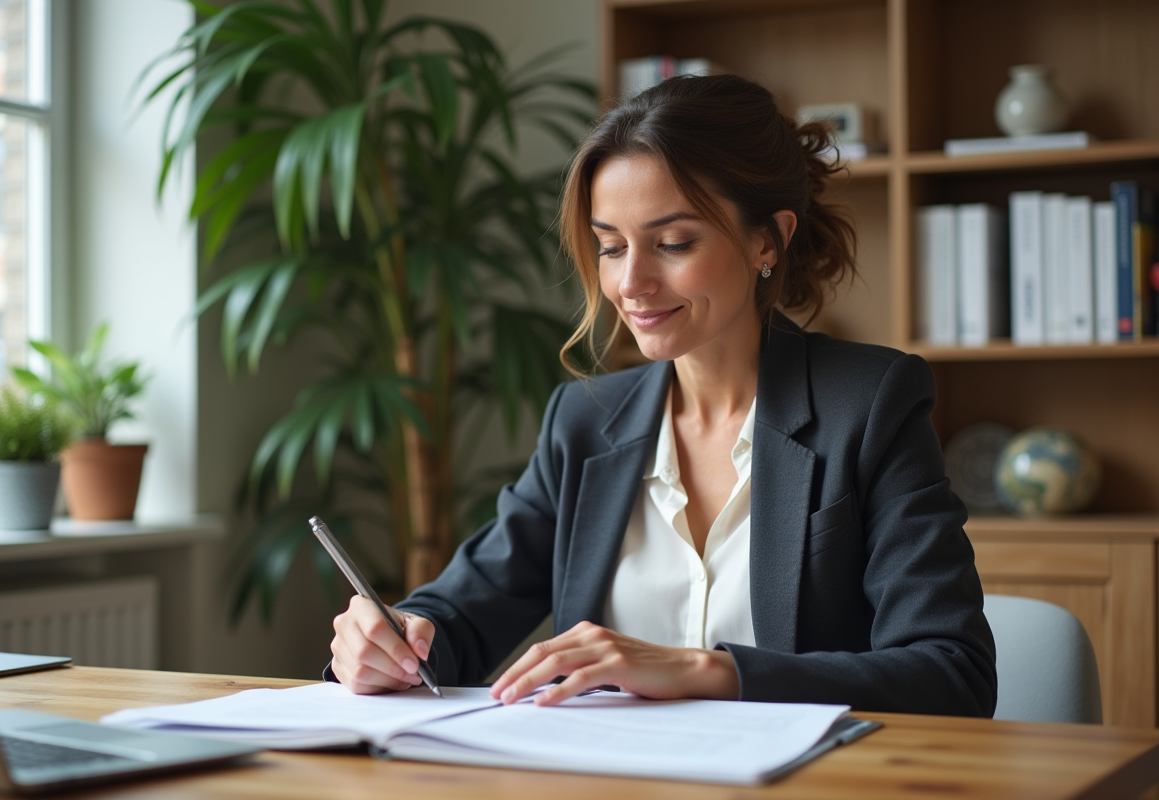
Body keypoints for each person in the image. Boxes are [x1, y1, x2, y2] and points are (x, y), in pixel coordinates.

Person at [327, 73, 997, 717]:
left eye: (673, 242)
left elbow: (951, 673)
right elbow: (459, 617)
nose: (631, 283)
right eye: (610, 247)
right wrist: (391, 644)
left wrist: (707, 670)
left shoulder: (871, 403)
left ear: (769, 238)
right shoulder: (585, 421)